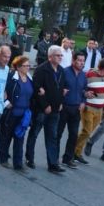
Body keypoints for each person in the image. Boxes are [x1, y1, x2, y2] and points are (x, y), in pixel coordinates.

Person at [26, 45, 67, 173]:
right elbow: (37, 89)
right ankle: (30, 158)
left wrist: (60, 103)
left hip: (55, 110)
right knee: (34, 133)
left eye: (61, 55)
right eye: (57, 55)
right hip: (42, 110)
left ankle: (53, 163)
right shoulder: (41, 69)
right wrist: (45, 105)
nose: (60, 57)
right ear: (50, 57)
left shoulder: (61, 70)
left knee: (52, 136)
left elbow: (61, 89)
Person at [0, 56, 34, 172]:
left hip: (24, 113)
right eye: (25, 66)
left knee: (20, 138)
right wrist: (5, 102)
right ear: (18, 67)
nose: (28, 68)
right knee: (6, 136)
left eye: (29, 65)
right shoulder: (11, 77)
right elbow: (1, 89)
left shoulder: (29, 77)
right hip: (11, 112)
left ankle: (18, 164)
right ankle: (3, 158)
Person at [58, 51, 87, 168]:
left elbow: (84, 89)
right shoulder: (64, 72)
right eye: (79, 60)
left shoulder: (83, 75)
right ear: (73, 61)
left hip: (76, 109)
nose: (81, 63)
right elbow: (57, 88)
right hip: (64, 107)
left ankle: (68, 158)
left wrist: (83, 101)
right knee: (58, 134)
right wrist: (61, 96)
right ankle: (54, 158)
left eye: (83, 61)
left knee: (74, 134)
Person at [78, 58, 104, 161]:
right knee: (87, 131)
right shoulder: (90, 75)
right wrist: (85, 94)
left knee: (88, 132)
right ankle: (75, 151)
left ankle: (77, 151)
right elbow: (81, 87)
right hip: (89, 107)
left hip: (99, 109)